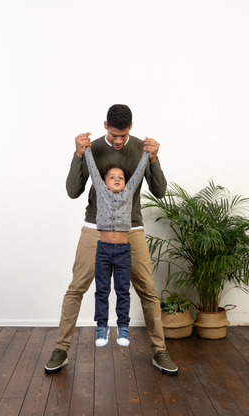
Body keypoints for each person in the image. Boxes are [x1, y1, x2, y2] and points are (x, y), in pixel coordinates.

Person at [45, 104, 178, 376]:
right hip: (94, 228)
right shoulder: (92, 148)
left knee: (148, 292)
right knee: (76, 288)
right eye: (114, 135)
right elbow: (73, 191)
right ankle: (61, 349)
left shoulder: (142, 148)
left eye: (124, 135)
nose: (118, 141)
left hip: (133, 230)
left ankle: (159, 351)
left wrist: (154, 159)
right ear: (105, 125)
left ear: (131, 127)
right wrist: (77, 154)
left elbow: (160, 191)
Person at [84, 145, 149, 347]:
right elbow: (93, 170)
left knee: (123, 290)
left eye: (120, 177)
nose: (117, 179)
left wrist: (147, 153)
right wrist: (86, 149)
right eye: (112, 177)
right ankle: (102, 327)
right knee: (102, 290)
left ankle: (123, 327)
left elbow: (138, 173)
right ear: (104, 182)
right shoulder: (101, 192)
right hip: (103, 250)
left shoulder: (129, 192)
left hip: (123, 252)